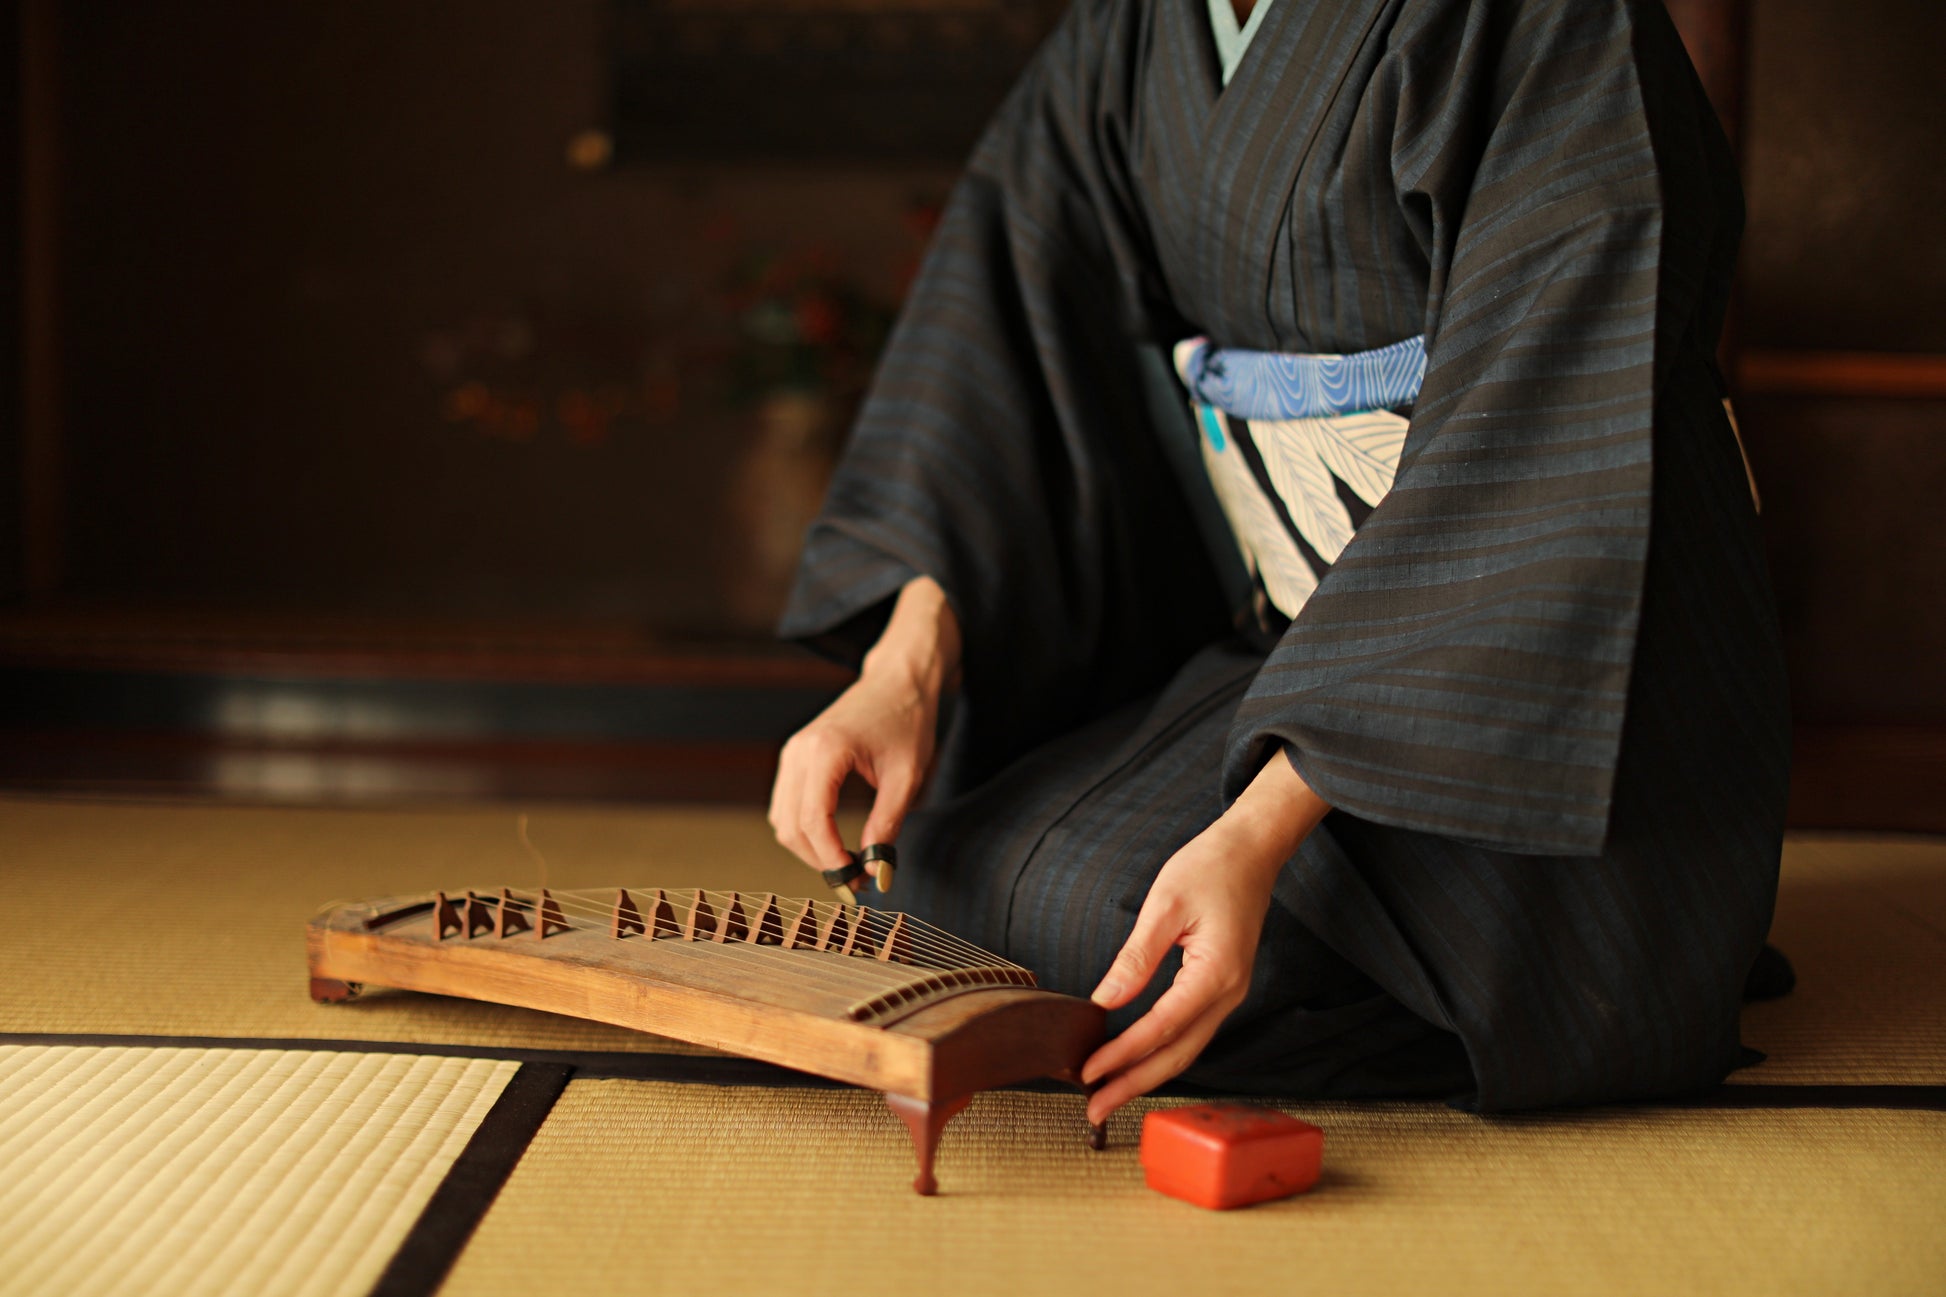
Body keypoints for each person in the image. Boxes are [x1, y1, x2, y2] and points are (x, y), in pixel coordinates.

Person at [767, 0, 1790, 1127]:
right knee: (949, 864)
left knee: (1112, 917)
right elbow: (1008, 306)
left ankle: (1595, 958)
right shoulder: (1137, 28)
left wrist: (1256, 834)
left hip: (1534, 692)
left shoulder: (1550, 22)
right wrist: (901, 668)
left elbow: (1550, 426)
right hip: (1303, 648)